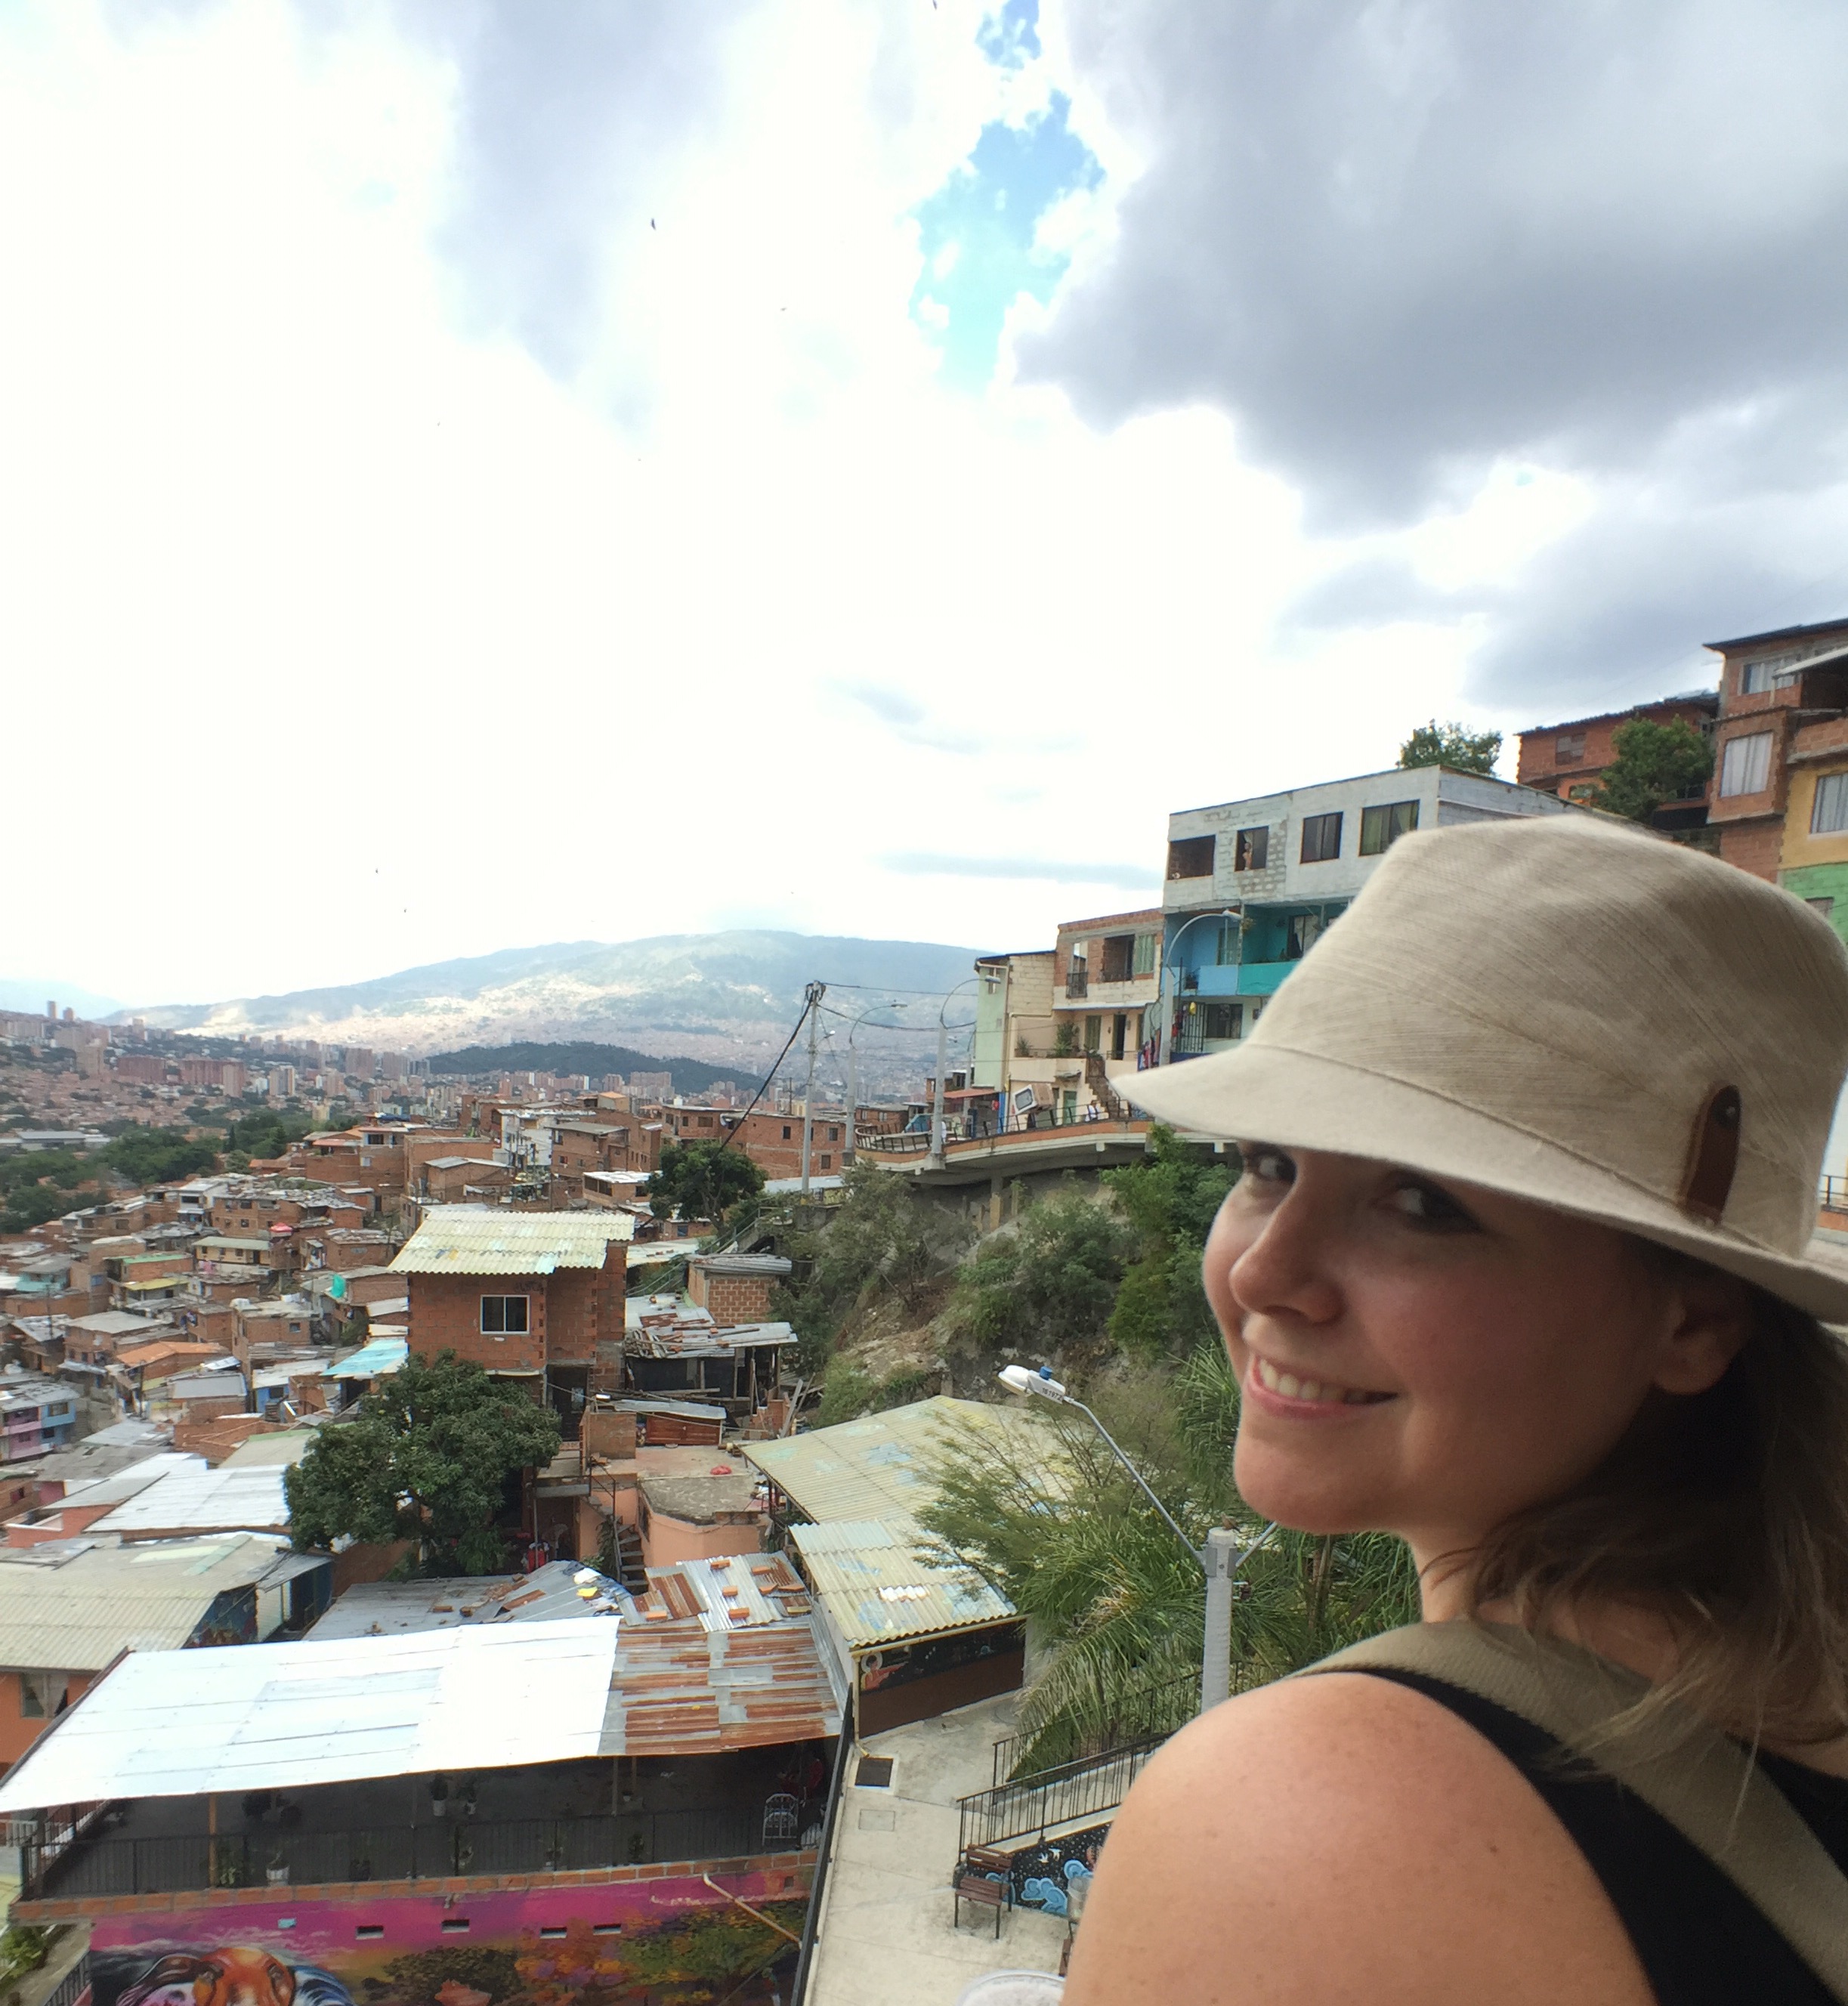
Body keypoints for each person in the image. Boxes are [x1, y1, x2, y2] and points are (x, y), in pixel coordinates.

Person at [1064, 813, 1848, 2006]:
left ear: (1692, 1324)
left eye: (1422, 1205)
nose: (1263, 1274)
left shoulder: (1305, 1820)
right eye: (1268, 1164)